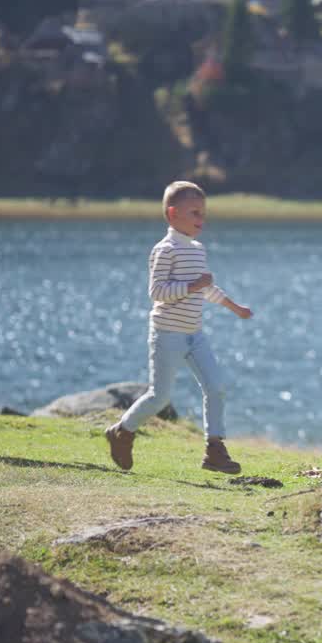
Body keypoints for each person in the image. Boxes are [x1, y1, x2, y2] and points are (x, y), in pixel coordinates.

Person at [105, 181, 253, 474]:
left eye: (203, 213)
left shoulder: (197, 249)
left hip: (195, 334)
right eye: (195, 213)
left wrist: (234, 307)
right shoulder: (165, 249)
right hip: (167, 334)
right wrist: (192, 286)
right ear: (173, 214)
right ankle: (122, 431)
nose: (202, 219)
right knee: (160, 397)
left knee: (216, 386)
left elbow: (206, 289)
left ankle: (214, 449)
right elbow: (157, 292)